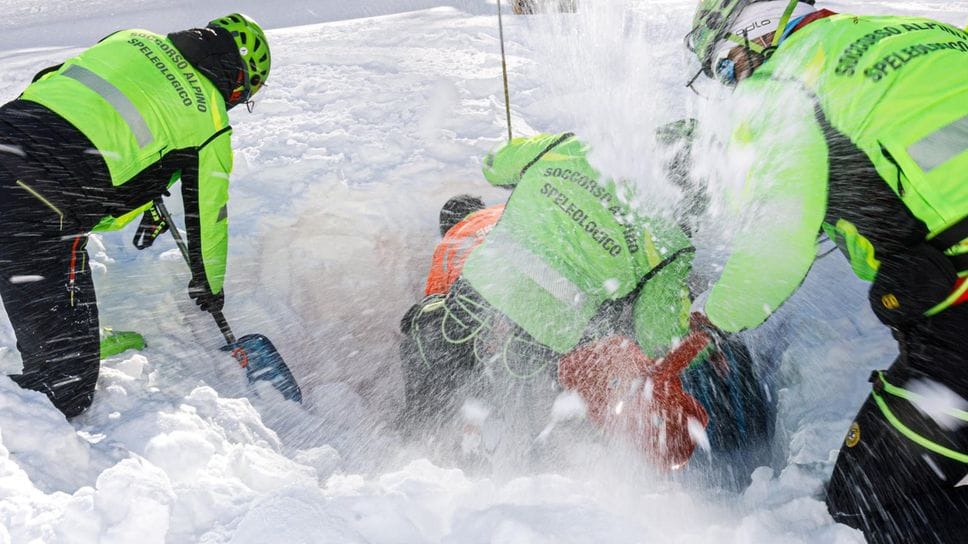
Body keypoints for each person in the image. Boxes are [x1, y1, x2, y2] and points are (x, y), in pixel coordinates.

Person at [684, 0, 968, 541]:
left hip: (959, 314)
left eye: (725, 66)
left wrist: (713, 319)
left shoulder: (782, 85)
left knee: (871, 507)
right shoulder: (923, 31)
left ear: (760, 30)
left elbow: (776, 249)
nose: (730, 86)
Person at [398, 134, 772, 477]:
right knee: (541, 398)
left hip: (481, 287)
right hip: (549, 333)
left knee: (437, 336)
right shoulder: (669, 242)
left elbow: (493, 165)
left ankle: (420, 446)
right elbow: (656, 334)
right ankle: (532, 476)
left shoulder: (574, 146)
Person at [0, 13, 271, 418]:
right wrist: (208, 287)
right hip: (37, 206)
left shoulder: (131, 38)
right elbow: (209, 219)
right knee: (64, 388)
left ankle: (76, 333)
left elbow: (52, 85)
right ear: (238, 79)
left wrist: (143, 191)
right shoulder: (210, 118)